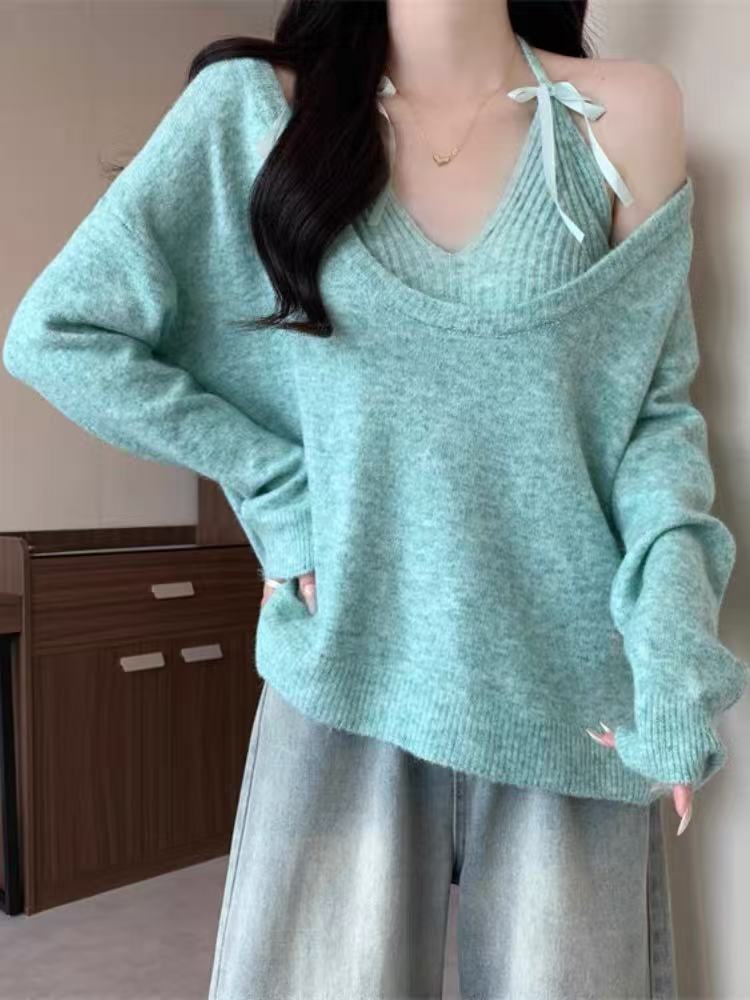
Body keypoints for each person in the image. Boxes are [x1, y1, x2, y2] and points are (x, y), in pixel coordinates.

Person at [4, 1, 747, 997]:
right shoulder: (257, 111)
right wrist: (276, 491)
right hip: (346, 671)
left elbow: (653, 424)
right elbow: (62, 332)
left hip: (572, 699)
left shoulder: (623, 115)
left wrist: (673, 654)